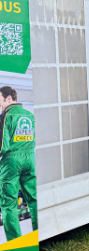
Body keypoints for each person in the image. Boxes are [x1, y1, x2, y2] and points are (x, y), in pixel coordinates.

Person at [0, 86, 37, 242]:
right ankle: (39, 234)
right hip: (30, 158)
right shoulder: (30, 115)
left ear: (8, 99)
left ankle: (16, 243)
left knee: (9, 204)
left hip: (11, 161)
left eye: (0, 100)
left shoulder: (5, 116)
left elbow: (3, 146)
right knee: (34, 199)